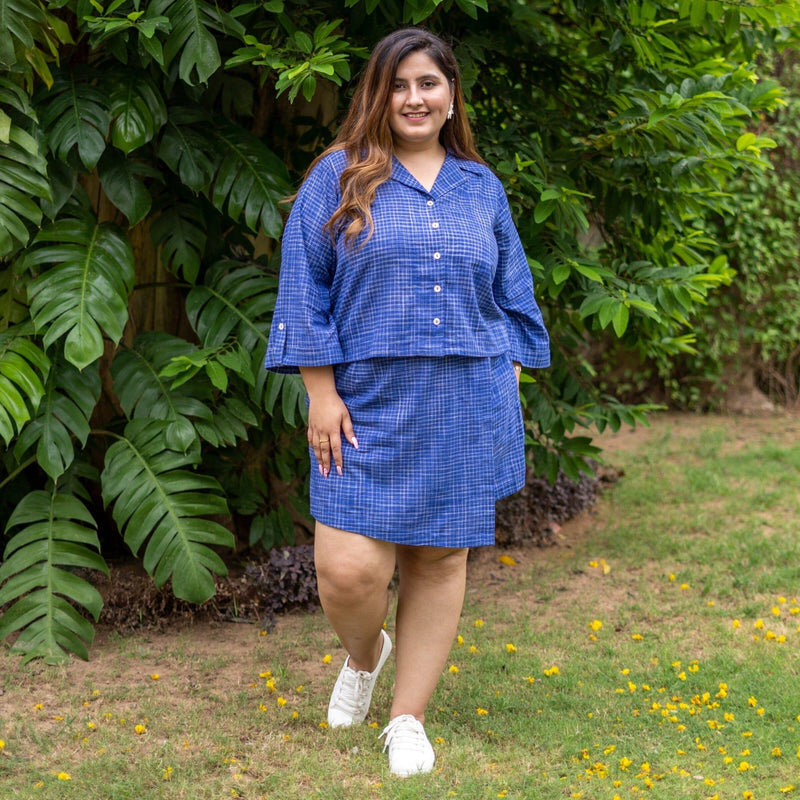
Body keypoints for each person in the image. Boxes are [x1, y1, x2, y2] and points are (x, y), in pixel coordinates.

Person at [264, 27, 549, 777]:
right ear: (378, 95)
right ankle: (365, 655)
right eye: (398, 85)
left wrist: (508, 373)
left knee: (438, 556)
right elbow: (304, 287)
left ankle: (407, 718)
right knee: (348, 571)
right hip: (363, 404)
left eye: (428, 83)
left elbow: (512, 293)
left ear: (451, 94)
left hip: (463, 400)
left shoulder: (480, 187)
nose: (414, 98)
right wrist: (319, 392)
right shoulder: (339, 176)